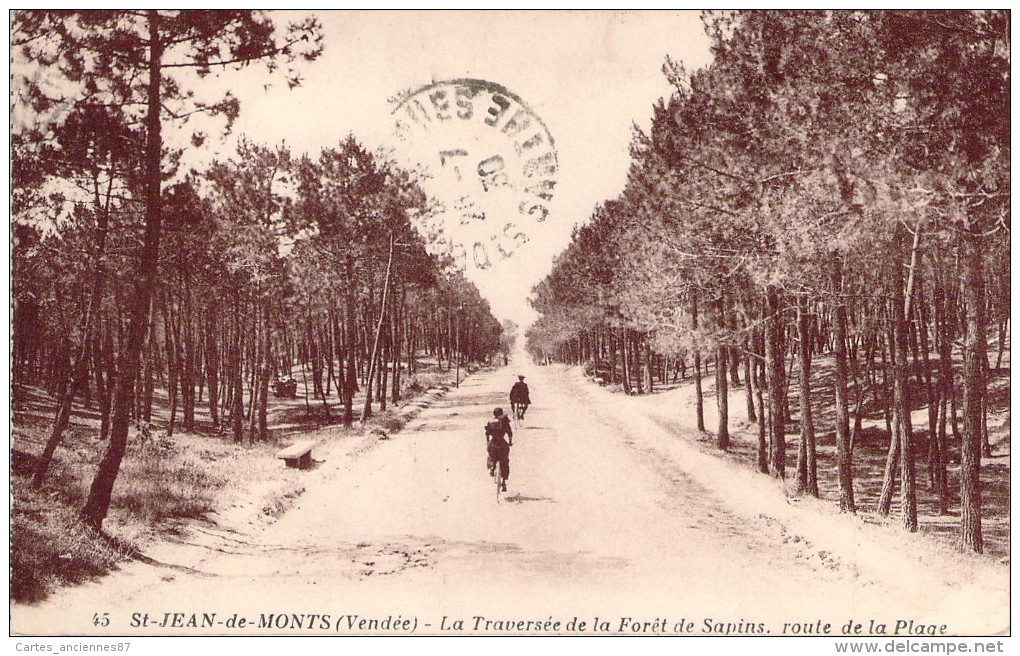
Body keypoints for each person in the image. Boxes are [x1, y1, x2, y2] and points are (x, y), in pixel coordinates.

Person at [485, 407, 513, 491]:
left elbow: (487, 433)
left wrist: (487, 441)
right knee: (505, 462)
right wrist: (510, 441)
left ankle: (492, 467)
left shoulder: (490, 421)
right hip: (502, 443)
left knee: (490, 456)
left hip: (493, 443)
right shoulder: (505, 421)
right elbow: (509, 432)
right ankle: (504, 483)